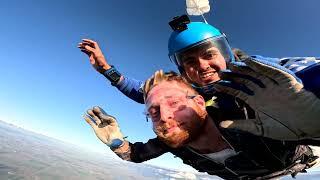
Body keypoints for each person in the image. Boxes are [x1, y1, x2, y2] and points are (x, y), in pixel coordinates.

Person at [84, 71, 318, 179]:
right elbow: (134, 154)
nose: (164, 116)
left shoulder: (245, 115)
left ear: (199, 102)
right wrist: (116, 142)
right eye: (153, 112)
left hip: (303, 158)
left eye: (174, 103)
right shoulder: (175, 140)